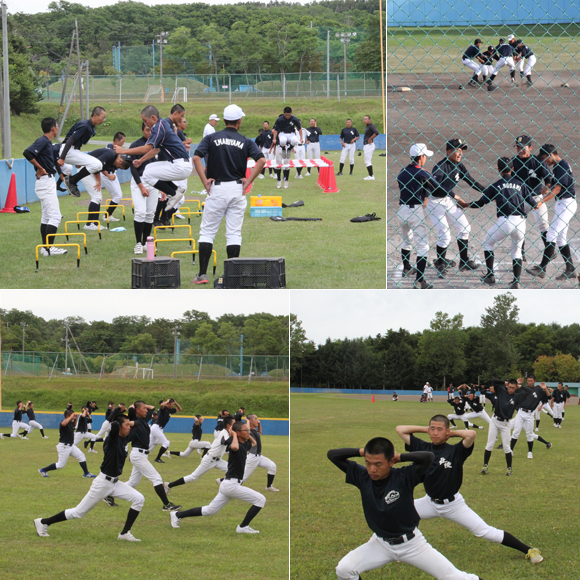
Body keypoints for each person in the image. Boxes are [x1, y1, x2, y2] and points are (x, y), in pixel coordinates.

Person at [327, 437, 482, 580]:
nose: (372, 469)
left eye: (378, 464)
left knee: (455, 577)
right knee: (344, 569)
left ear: (391, 462)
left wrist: (400, 456)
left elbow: (428, 457)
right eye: (368, 463)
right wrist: (363, 452)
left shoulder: (404, 476)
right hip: (380, 543)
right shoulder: (362, 476)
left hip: (411, 544)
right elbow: (332, 455)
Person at [396, 417, 544, 565]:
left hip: (453, 505)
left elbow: (471, 434)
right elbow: (400, 429)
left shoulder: (455, 451)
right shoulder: (423, 448)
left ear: (447, 431)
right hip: (429, 502)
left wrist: (448, 434)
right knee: (398, 513)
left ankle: (530, 550)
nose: (435, 433)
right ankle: (397, 549)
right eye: (432, 429)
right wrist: (427, 429)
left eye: (439, 429)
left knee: (484, 531)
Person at [34, 414, 145, 542]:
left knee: (139, 499)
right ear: (119, 427)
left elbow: (137, 424)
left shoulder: (124, 438)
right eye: (126, 425)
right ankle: (43, 522)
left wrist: (128, 422)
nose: (129, 427)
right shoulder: (112, 439)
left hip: (115, 483)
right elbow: (114, 425)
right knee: (78, 513)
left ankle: (124, 533)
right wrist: (118, 417)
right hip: (103, 483)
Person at [190, 104, 266, 285]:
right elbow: (262, 160)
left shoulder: (211, 137)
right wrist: (249, 180)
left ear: (223, 120)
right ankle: (232, 276)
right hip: (237, 189)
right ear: (239, 121)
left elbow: (195, 158)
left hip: (217, 187)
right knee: (233, 233)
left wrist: (204, 180)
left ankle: (202, 275)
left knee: (207, 232)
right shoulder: (246, 141)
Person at [170, 421, 267, 534]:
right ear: (238, 433)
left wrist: (245, 433)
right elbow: (235, 446)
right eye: (246, 430)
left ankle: (177, 515)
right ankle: (243, 527)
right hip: (231, 485)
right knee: (260, 499)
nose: (249, 432)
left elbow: (254, 442)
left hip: (228, 485)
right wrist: (234, 434)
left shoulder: (244, 444)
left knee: (210, 510)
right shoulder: (235, 447)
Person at [459, 157, 538, 288]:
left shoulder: (495, 185)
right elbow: (533, 204)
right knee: (517, 252)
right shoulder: (521, 184)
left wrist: (466, 204)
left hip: (505, 222)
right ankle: (516, 282)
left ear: (499, 170)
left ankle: (490, 275)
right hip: (520, 222)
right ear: (513, 169)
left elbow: (480, 203)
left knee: (488, 243)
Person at [114, 105, 193, 221]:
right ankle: (175, 190)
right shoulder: (162, 125)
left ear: (153, 118)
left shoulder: (159, 127)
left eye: (145, 121)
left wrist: (123, 151)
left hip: (180, 165)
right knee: (148, 169)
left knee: (146, 174)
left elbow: (147, 148)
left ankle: (173, 193)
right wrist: (141, 160)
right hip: (182, 164)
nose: (145, 124)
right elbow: (156, 149)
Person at [428, 139, 485, 274]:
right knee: (445, 235)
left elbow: (471, 181)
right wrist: (455, 196)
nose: (460, 154)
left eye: (461, 151)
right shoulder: (440, 167)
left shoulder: (459, 166)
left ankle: (464, 261)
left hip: (447, 200)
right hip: (435, 203)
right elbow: (436, 187)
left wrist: (489, 192)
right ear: (448, 152)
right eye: (457, 151)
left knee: (465, 228)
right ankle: (440, 264)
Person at [526, 144, 577, 281]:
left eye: (544, 159)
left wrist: (541, 201)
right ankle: (570, 268)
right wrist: (545, 189)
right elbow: (553, 187)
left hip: (566, 203)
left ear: (551, 155)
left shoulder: (562, 166)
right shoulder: (559, 166)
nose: (544, 162)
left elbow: (557, 190)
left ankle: (542, 268)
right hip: (562, 204)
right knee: (560, 238)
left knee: (552, 234)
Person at [120, 401, 181, 511]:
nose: (147, 410)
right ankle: (167, 505)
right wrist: (136, 405)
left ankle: (109, 493)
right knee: (157, 478)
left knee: (133, 483)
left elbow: (152, 407)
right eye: (144, 408)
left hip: (142, 455)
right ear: (137, 410)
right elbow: (131, 408)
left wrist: (143, 406)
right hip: (138, 454)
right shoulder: (135, 420)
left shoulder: (143, 420)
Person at [22, 117, 69, 257]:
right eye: (57, 125)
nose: (58, 128)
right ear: (53, 128)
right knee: (55, 216)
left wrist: (58, 173)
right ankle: (49, 248)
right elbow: (27, 152)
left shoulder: (47, 143)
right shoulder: (43, 141)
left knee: (47, 217)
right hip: (45, 181)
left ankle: (45, 248)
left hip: (47, 182)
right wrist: (40, 168)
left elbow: (50, 160)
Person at [396, 143, 439, 289]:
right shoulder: (422, 172)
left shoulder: (403, 171)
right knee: (422, 246)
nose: (426, 158)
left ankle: (406, 267)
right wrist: (454, 195)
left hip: (402, 210)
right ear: (421, 157)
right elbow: (437, 187)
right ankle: (420, 280)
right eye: (425, 155)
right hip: (415, 211)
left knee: (406, 240)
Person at [165, 416, 234, 493]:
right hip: (209, 459)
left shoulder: (227, 433)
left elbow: (227, 446)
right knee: (193, 477)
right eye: (234, 423)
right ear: (229, 425)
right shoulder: (224, 433)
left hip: (217, 460)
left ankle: (221, 481)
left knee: (233, 470)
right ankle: (168, 485)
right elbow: (227, 442)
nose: (235, 425)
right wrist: (234, 436)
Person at [510, 135, 552, 260]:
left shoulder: (537, 161)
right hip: (520, 199)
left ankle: (550, 252)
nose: (520, 150)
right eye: (518, 147)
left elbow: (548, 177)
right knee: (518, 227)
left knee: (543, 225)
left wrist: (548, 186)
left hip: (536, 198)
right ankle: (520, 255)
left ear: (530, 148)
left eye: (523, 147)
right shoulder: (513, 162)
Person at [481, 378, 532, 476]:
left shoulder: (517, 397)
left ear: (516, 388)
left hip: (505, 424)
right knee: (490, 444)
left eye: (513, 388)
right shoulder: (501, 391)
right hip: (495, 421)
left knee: (506, 447)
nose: (511, 389)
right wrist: (505, 382)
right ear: (507, 386)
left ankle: (509, 468)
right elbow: (494, 381)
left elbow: (530, 391)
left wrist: (519, 386)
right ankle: (485, 465)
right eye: (509, 387)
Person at [75, 148, 131, 231]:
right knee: (96, 197)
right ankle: (90, 224)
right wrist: (98, 180)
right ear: (120, 161)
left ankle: (94, 223)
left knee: (98, 197)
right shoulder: (110, 155)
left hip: (88, 170)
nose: (116, 167)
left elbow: (101, 167)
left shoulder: (111, 157)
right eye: (118, 167)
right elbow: (96, 166)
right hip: (86, 170)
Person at [58, 106, 108, 196]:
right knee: (97, 164)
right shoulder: (85, 126)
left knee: (97, 165)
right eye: (103, 117)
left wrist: (77, 159)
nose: (104, 120)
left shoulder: (92, 129)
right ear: (95, 115)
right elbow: (70, 140)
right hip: (66, 149)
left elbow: (78, 142)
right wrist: (62, 158)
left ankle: (72, 180)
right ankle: (72, 181)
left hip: (73, 150)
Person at [126, 123, 158, 254]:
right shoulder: (135, 145)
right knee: (140, 211)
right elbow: (133, 168)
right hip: (139, 181)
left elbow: (160, 167)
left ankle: (146, 242)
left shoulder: (158, 145)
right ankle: (138, 243)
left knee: (150, 213)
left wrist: (162, 187)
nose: (150, 133)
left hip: (155, 182)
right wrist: (141, 186)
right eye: (147, 130)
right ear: (142, 130)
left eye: (152, 130)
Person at [38, 409, 96, 478]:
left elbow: (74, 426)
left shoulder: (70, 423)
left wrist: (75, 419)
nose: (73, 416)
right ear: (68, 416)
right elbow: (63, 423)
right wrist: (71, 416)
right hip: (64, 446)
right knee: (60, 465)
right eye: (72, 415)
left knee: (81, 456)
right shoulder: (63, 422)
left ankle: (86, 473)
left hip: (71, 446)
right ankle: (43, 470)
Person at [510, 376, 552, 457]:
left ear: (534, 381)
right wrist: (516, 384)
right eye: (528, 380)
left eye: (531, 381)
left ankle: (530, 452)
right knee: (516, 432)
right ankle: (511, 450)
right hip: (521, 412)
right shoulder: (523, 388)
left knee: (529, 434)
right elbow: (511, 391)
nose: (529, 382)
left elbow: (549, 397)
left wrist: (545, 389)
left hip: (530, 414)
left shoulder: (539, 391)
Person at [242, 414, 279, 491]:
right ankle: (224, 482)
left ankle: (269, 487)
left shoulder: (254, 431)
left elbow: (260, 433)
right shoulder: (249, 431)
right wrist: (247, 422)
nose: (257, 420)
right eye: (255, 419)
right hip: (252, 457)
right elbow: (247, 432)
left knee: (272, 466)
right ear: (250, 421)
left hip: (259, 457)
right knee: (243, 477)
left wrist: (259, 424)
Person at [270, 106, 302, 188]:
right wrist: (274, 139)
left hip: (288, 143)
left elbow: (299, 129)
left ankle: (286, 180)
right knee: (278, 163)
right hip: (279, 145)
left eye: (289, 115)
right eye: (286, 115)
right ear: (283, 114)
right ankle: (278, 180)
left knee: (286, 164)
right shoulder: (279, 121)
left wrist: (299, 140)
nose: (287, 117)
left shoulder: (294, 119)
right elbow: (275, 131)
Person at [101, 132, 126, 222]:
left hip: (112, 173)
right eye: (122, 141)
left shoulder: (116, 150)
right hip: (106, 174)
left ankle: (108, 215)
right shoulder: (109, 150)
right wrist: (108, 176)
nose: (123, 144)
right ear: (116, 140)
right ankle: (107, 216)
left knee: (118, 195)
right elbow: (100, 165)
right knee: (117, 195)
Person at [150, 398, 182, 462]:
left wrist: (176, 403)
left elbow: (180, 409)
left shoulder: (170, 410)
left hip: (156, 427)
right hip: (156, 427)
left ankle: (136, 456)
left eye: (173, 405)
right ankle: (157, 458)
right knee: (166, 443)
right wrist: (167, 401)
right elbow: (161, 405)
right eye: (172, 404)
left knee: (149, 444)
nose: (173, 406)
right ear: (168, 404)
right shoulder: (164, 409)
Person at [362, 115, 379, 181]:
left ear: (369, 120)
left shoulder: (371, 126)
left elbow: (377, 132)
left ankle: (371, 176)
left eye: (366, 119)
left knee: (368, 161)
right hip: (367, 145)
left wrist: (370, 138)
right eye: (364, 119)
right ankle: (370, 175)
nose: (365, 120)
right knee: (367, 161)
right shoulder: (368, 126)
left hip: (369, 145)